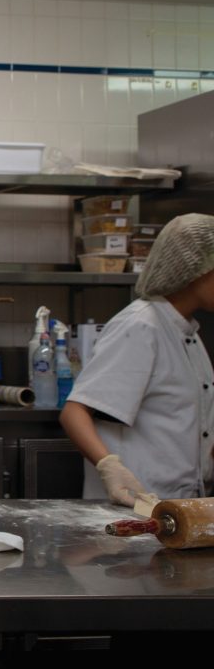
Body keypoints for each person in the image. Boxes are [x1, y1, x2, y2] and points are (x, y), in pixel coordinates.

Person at [60, 213, 214, 505]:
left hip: (178, 506)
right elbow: (75, 412)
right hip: (137, 505)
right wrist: (110, 468)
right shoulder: (142, 326)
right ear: (195, 269)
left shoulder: (187, 333)